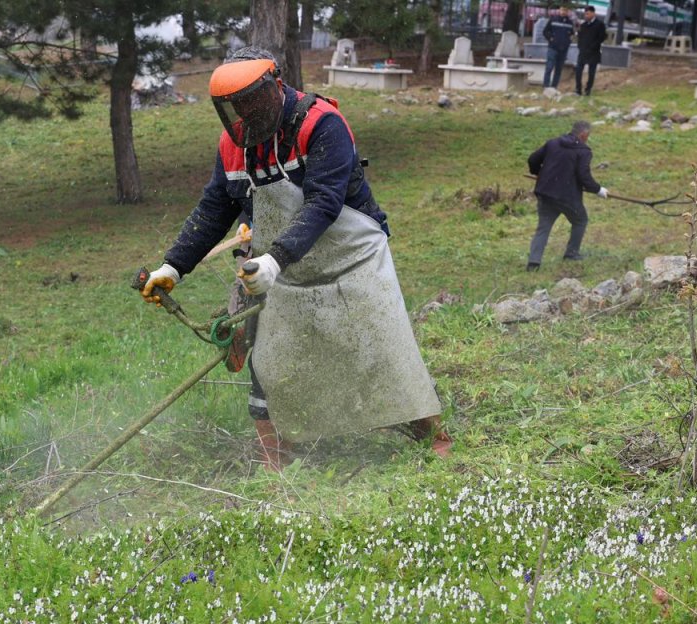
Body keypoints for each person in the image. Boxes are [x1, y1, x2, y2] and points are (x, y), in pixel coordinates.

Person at [138, 47, 450, 470]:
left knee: (382, 353)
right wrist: (172, 267)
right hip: (279, 272)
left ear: (275, 86)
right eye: (234, 106)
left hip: (352, 261)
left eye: (251, 100)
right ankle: (277, 464)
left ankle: (435, 440)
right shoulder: (233, 145)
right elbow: (215, 207)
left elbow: (323, 203)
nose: (244, 112)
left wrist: (273, 260)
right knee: (269, 364)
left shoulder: (322, 124)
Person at [526, 121, 608, 270]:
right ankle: (571, 253)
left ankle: (533, 262)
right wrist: (598, 190)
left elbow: (532, 160)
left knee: (543, 227)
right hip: (566, 196)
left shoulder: (553, 143)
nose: (587, 139)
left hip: (545, 192)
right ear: (583, 134)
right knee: (580, 220)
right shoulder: (583, 151)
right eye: (588, 136)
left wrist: (539, 173)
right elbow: (584, 176)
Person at [574, 5, 608, 96]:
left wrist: (593, 46)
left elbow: (602, 37)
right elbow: (580, 37)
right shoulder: (584, 25)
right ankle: (578, 89)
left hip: (593, 52)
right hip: (583, 51)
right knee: (578, 70)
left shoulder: (599, 24)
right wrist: (580, 46)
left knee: (591, 72)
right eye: (585, 14)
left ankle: (588, 89)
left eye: (588, 14)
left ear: (593, 13)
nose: (586, 16)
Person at [542, 6, 575, 89]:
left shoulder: (570, 22)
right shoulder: (553, 20)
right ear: (559, 10)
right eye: (562, 10)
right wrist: (551, 38)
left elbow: (571, 34)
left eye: (566, 10)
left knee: (558, 69)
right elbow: (545, 31)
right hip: (553, 48)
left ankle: (554, 87)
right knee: (549, 67)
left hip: (563, 49)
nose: (564, 12)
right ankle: (546, 86)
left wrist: (568, 41)